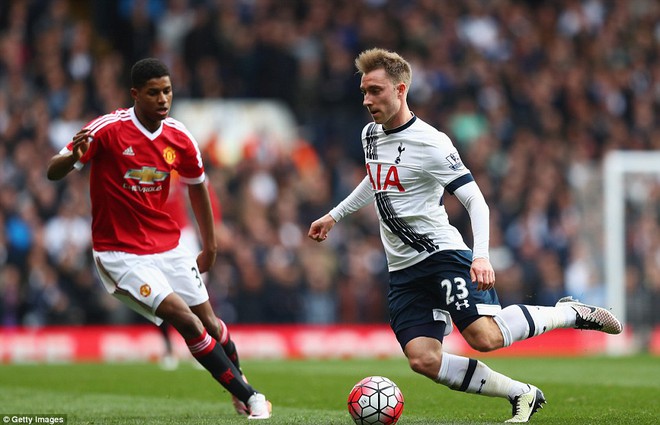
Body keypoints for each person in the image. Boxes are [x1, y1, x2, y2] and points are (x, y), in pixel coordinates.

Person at [308, 48, 622, 423]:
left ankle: (569, 312)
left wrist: (481, 255)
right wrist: (334, 215)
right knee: (423, 359)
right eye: (364, 91)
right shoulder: (370, 135)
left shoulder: (433, 144)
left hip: (441, 255)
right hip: (403, 270)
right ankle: (521, 393)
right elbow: (376, 179)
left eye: (375, 91)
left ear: (400, 90)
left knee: (483, 338)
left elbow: (476, 201)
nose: (366, 100)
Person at [47, 58, 271, 420]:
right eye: (154, 93)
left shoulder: (179, 137)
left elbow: (198, 186)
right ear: (135, 95)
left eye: (167, 91)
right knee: (185, 320)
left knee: (211, 324)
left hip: (168, 245)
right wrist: (72, 154)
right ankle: (251, 395)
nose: (163, 99)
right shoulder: (107, 129)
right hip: (120, 253)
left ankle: (238, 383)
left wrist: (210, 245)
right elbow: (52, 172)